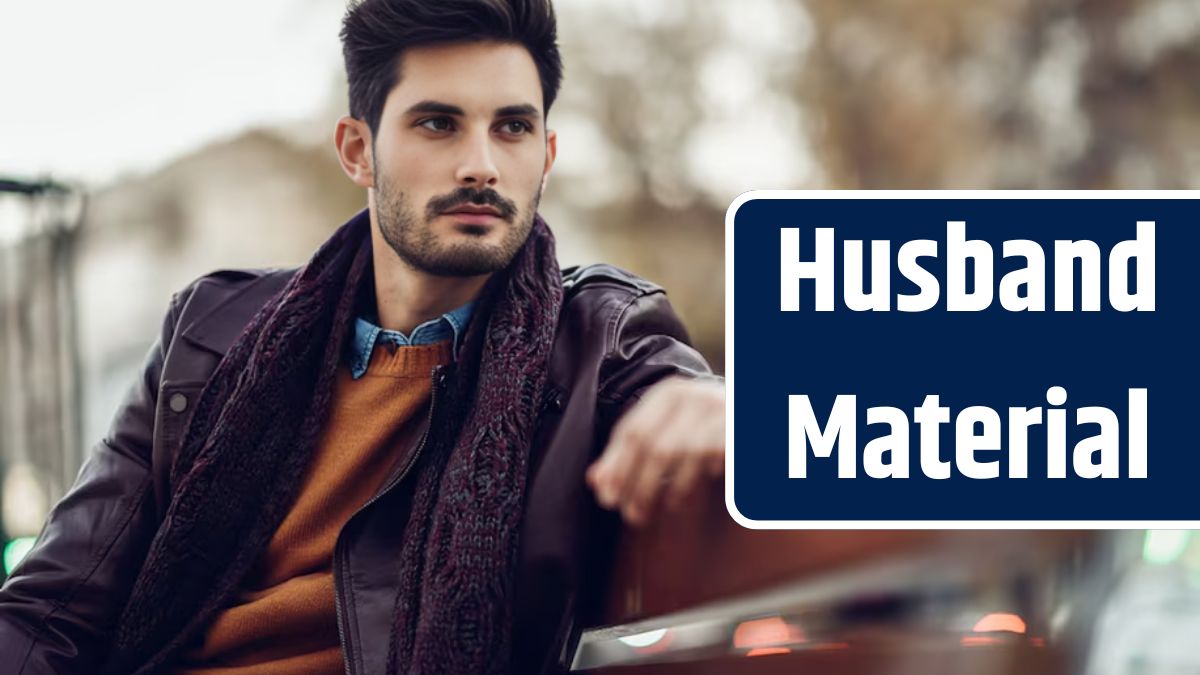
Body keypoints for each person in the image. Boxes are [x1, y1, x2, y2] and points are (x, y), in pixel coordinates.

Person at [0, 0, 725, 672]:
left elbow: (700, 398)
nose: (482, 163)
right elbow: (50, 607)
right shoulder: (210, 331)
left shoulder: (599, 338)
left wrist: (725, 407)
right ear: (357, 150)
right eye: (438, 123)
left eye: (513, 126)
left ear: (547, 152)